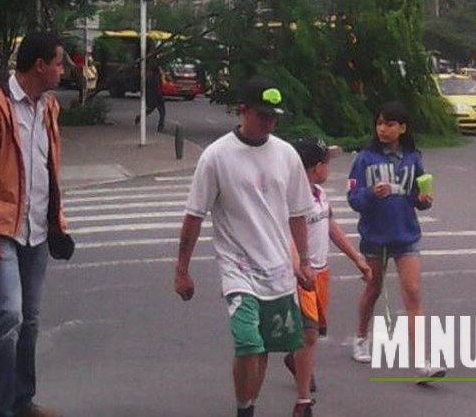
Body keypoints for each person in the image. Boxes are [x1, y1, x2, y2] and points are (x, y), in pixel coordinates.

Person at [174, 76, 316, 417]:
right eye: (262, 115)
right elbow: (194, 216)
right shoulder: (216, 157)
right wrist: (182, 270)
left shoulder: (286, 155)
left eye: (274, 117)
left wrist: (305, 261)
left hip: (278, 271)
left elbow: (298, 214)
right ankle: (243, 410)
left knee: (262, 348)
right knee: (248, 342)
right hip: (238, 269)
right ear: (243, 110)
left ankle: (248, 405)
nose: (269, 122)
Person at [0, 32, 68, 417]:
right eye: (58, 63)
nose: (62, 70)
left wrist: (57, 222)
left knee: (30, 321)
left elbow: (48, 171)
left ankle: (22, 400)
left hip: (36, 230)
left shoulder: (48, 107)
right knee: (9, 316)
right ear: (40, 65)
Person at [347, 101, 446, 383]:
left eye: (390, 124)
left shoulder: (413, 158)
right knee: (373, 289)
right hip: (374, 237)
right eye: (380, 123)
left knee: (412, 293)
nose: (383, 129)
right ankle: (360, 337)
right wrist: (371, 193)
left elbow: (418, 197)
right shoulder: (364, 159)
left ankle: (422, 362)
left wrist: (423, 199)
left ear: (402, 128)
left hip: (406, 236)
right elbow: (353, 199)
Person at [285, 137, 372, 415]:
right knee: (309, 334)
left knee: (313, 332)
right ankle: (303, 401)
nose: (329, 168)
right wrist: (300, 267)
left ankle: (296, 360)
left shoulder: (320, 194)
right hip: (300, 275)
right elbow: (285, 236)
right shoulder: (290, 198)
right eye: (327, 162)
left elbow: (330, 226)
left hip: (320, 273)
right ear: (315, 167)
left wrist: (357, 258)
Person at [134, 56, 165, 132]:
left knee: (152, 110)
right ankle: (160, 127)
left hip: (152, 96)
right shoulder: (155, 77)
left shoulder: (150, 76)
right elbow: (159, 85)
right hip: (156, 96)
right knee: (161, 112)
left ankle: (140, 117)